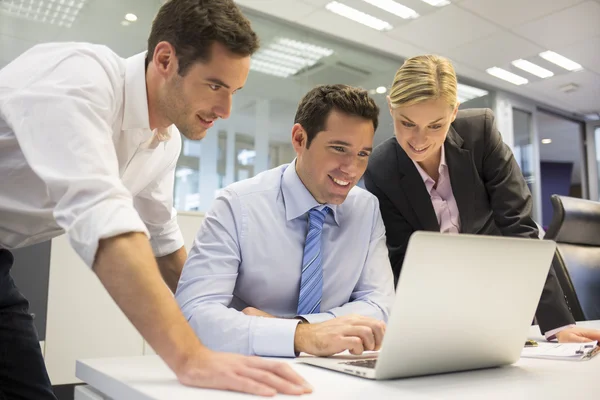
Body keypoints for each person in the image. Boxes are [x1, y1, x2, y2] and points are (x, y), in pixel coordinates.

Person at [0, 0, 311, 398]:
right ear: (165, 59)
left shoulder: (164, 142)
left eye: (234, 91)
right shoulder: (80, 79)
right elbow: (104, 222)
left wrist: (241, 321)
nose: (226, 109)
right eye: (215, 85)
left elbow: (165, 248)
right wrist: (189, 357)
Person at [364, 54, 600, 344]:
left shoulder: (480, 133)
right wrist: (415, 330)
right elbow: (401, 259)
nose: (419, 139)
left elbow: (518, 227)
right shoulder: (381, 167)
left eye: (435, 125)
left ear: (453, 113)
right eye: (407, 123)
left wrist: (557, 325)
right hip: (435, 304)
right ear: (391, 107)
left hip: (501, 289)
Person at [175, 84, 395, 358]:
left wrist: (299, 330)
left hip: (334, 367)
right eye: (339, 148)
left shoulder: (366, 208)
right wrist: (301, 337)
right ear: (300, 139)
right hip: (249, 368)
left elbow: (380, 304)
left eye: (363, 153)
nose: (351, 168)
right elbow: (194, 314)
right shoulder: (237, 205)